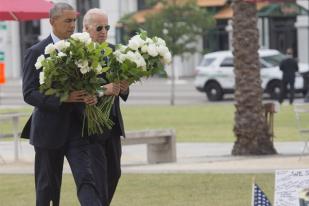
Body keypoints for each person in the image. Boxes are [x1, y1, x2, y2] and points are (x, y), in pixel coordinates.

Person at [21, 3, 102, 206]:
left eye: (74, 20)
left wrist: (92, 96)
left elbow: (91, 83)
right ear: (52, 22)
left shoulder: (84, 51)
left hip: (78, 129)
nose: (72, 25)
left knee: (87, 180)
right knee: (47, 188)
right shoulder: (36, 52)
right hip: (48, 132)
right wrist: (63, 98)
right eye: (67, 21)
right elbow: (29, 93)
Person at [83, 8, 129, 205]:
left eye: (107, 27)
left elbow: (121, 90)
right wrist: (103, 89)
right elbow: (80, 89)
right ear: (86, 28)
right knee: (98, 179)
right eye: (99, 27)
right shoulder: (78, 54)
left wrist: (124, 87)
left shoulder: (115, 51)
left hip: (112, 125)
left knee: (114, 173)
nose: (103, 31)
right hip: (90, 127)